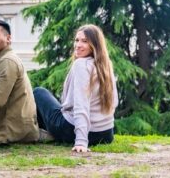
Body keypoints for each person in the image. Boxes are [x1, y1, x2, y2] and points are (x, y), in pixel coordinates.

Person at [33, 24, 118, 152]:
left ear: (95, 45)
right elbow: (114, 101)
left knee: (39, 92)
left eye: (84, 41)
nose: (78, 45)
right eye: (77, 40)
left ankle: (36, 133)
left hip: (75, 132)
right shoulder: (106, 65)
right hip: (106, 134)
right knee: (55, 105)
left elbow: (81, 104)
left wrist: (81, 141)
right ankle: (45, 133)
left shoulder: (81, 65)